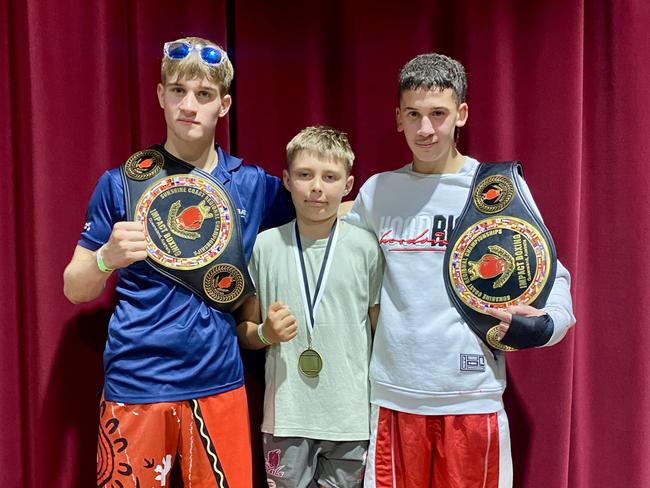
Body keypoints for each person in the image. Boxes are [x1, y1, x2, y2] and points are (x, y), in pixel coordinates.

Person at [63, 36, 293, 488]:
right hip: (137, 382)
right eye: (178, 91)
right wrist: (107, 258)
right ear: (160, 96)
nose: (189, 105)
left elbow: (320, 207)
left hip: (219, 383)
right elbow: (75, 287)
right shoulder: (121, 184)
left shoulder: (251, 186)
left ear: (223, 105)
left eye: (204, 95)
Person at [344, 53, 576, 487]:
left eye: (438, 114)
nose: (425, 129)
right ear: (397, 117)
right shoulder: (378, 192)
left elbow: (554, 275)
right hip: (395, 397)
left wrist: (547, 326)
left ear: (462, 114)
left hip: (472, 397)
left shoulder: (496, 189)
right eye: (413, 114)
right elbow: (341, 267)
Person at [236, 126, 384, 488]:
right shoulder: (264, 247)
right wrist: (265, 333)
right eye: (305, 175)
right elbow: (244, 332)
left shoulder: (367, 248)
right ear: (287, 180)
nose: (317, 187)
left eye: (330, 177)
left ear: (348, 185)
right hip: (287, 417)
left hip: (350, 419)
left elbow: (381, 334)